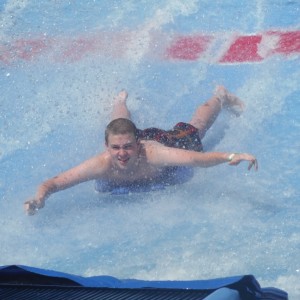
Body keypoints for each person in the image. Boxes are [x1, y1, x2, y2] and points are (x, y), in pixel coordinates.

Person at [24, 85, 258, 215]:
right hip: (131, 135)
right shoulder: (102, 162)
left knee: (197, 129)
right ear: (107, 147)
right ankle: (119, 101)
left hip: (164, 141)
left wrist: (231, 156)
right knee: (118, 127)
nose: (121, 154)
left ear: (137, 145)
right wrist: (38, 199)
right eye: (115, 148)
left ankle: (220, 96)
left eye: (127, 147)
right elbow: (54, 183)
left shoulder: (156, 155)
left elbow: (198, 159)